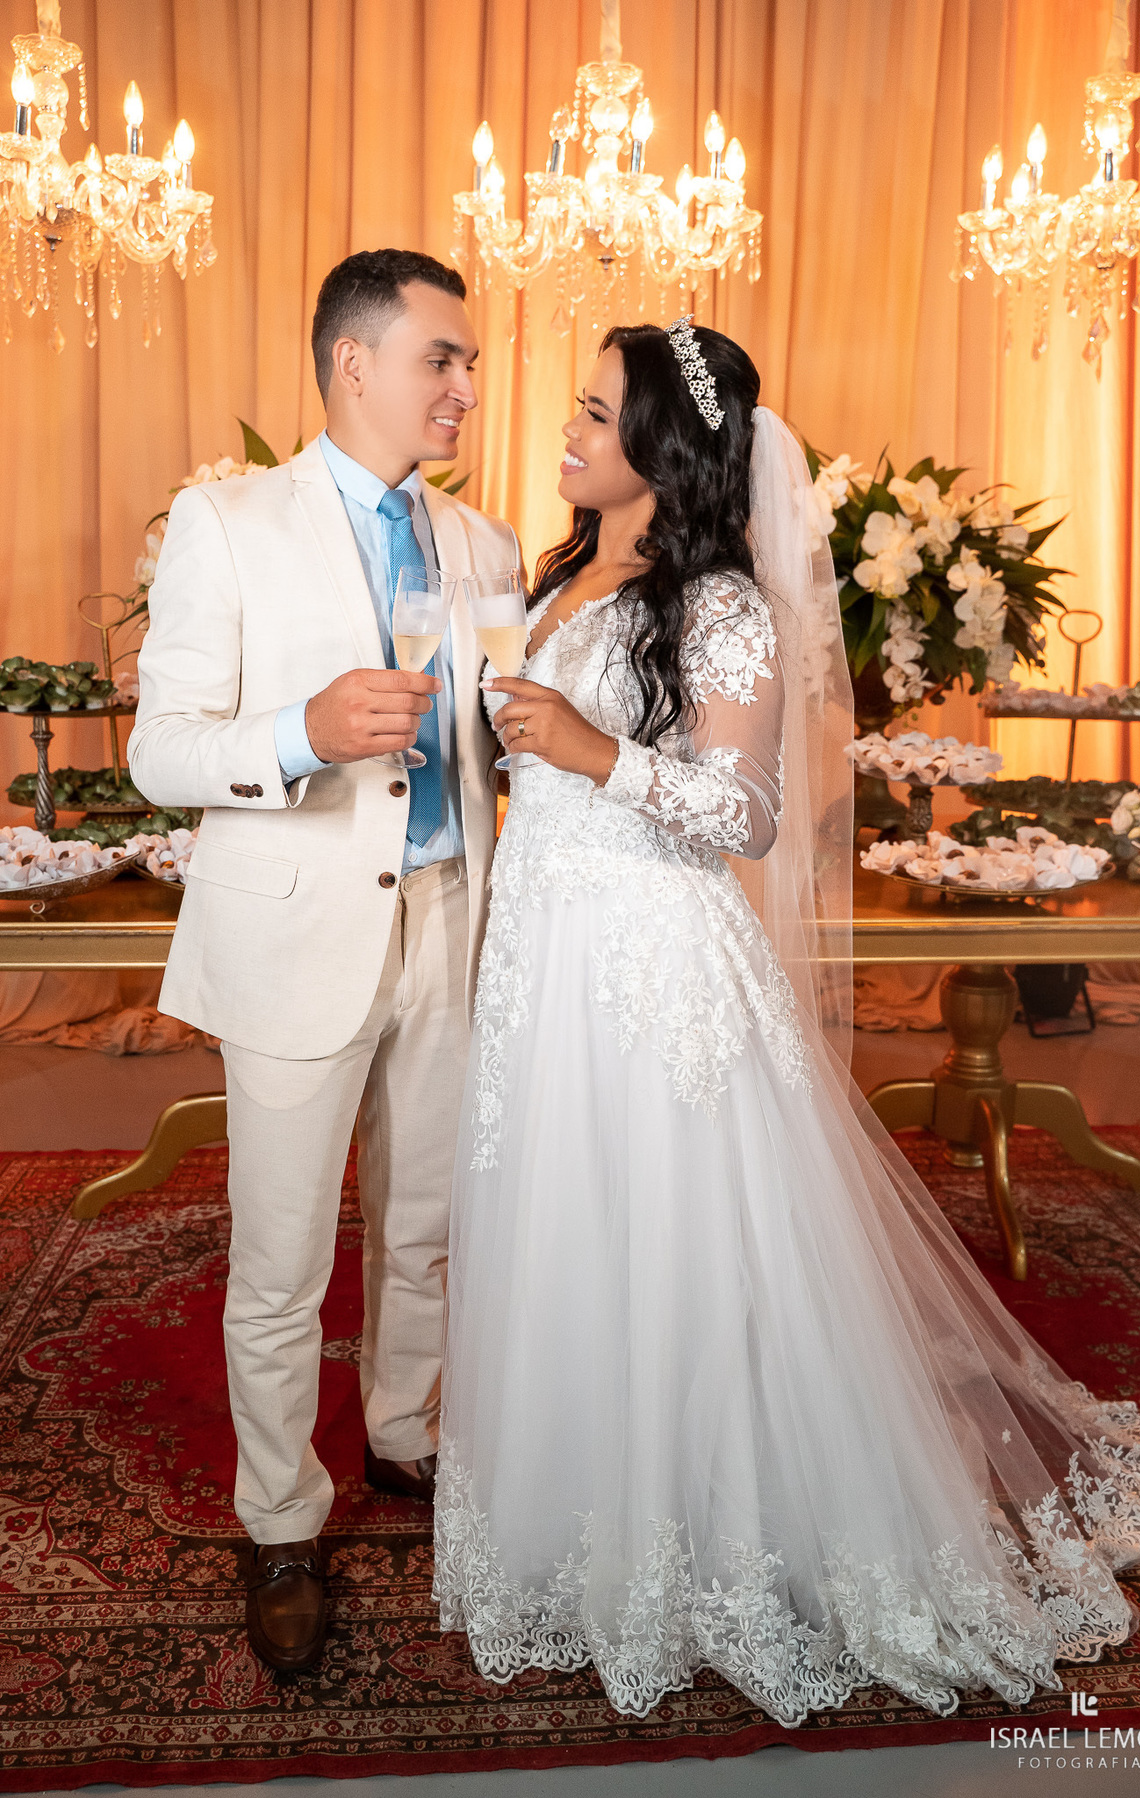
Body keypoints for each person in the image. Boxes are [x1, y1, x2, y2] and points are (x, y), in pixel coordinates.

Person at [431, 319, 1140, 1726]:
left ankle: (715, 1536)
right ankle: (575, 1521)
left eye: (593, 410)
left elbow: (747, 813)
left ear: (662, 446)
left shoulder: (722, 606)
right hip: (546, 952)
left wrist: (593, 752)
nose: (567, 429)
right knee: (563, 1224)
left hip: (654, 964)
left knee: (680, 1243)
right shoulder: (558, 570)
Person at [129, 248, 521, 1674]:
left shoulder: (485, 546)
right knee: (283, 1258)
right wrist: (300, 731)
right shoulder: (226, 521)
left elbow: (490, 751)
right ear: (355, 364)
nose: (467, 386)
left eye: (469, 363)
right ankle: (282, 1519)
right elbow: (160, 751)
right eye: (442, 359)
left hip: (450, 921)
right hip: (296, 929)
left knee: (425, 1223)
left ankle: (405, 1432)